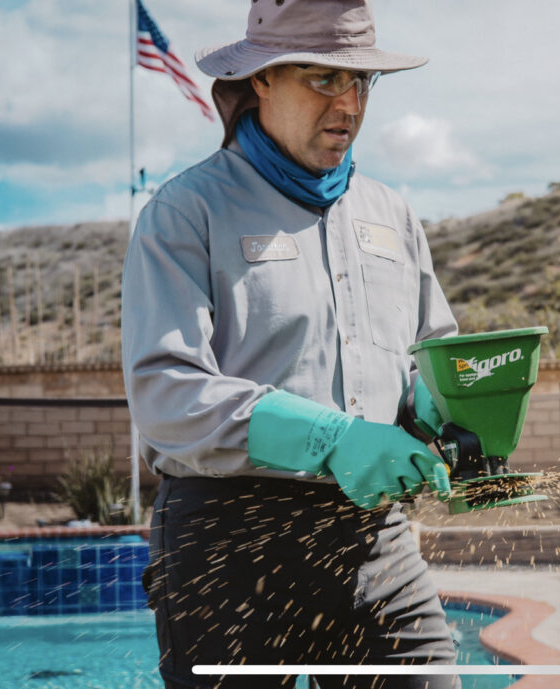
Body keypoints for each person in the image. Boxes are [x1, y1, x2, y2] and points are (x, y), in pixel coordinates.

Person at [120, 2, 460, 688]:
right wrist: (332, 437)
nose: (350, 104)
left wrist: (454, 412)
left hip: (374, 537)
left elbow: (431, 352)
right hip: (228, 541)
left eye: (362, 82)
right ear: (263, 79)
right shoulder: (186, 212)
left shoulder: (391, 212)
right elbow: (165, 394)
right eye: (324, 79)